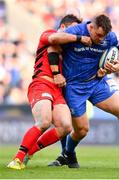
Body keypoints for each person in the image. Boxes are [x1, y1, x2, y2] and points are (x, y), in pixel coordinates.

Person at [48, 14, 119, 168]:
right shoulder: (76, 30)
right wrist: (78, 39)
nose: (100, 39)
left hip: (97, 82)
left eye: (103, 36)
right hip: (74, 87)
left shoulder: (109, 37)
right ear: (90, 27)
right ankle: (68, 153)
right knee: (82, 130)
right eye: (98, 35)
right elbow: (52, 41)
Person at [7, 14, 91, 170]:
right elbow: (53, 41)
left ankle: (29, 152)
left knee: (66, 127)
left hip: (58, 90)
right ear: (64, 27)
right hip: (41, 83)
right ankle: (17, 159)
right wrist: (79, 38)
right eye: (74, 28)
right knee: (44, 121)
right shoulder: (48, 33)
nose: (76, 32)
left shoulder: (69, 49)